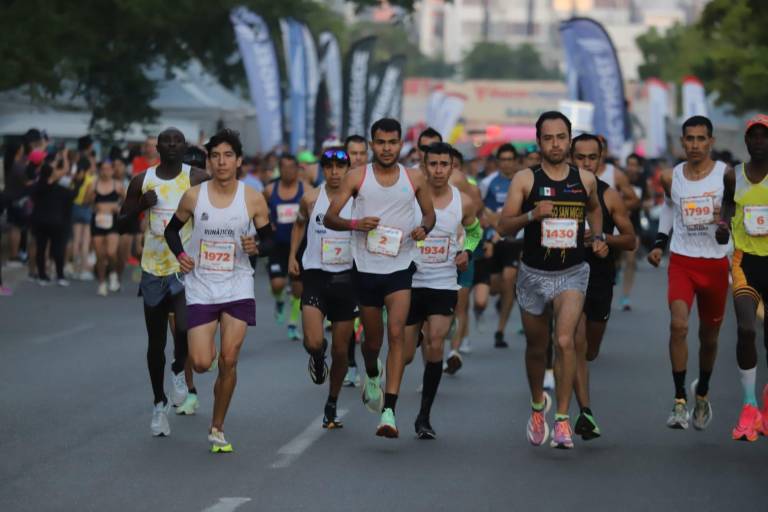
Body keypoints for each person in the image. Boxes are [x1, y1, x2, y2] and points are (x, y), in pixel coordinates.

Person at [498, 111, 607, 449]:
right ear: (539, 142)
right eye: (549, 138)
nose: (556, 144)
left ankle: (561, 419)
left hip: (572, 272)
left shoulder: (584, 180)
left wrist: (598, 235)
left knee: (564, 341)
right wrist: (532, 215)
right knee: (536, 346)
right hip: (533, 274)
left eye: (561, 137)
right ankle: (536, 407)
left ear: (570, 139)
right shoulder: (524, 180)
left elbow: (594, 208)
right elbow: (503, 227)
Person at [324, 117, 435, 438]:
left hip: (400, 267)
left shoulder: (414, 178)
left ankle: (389, 410)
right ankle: (372, 371)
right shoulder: (357, 177)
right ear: (372, 144)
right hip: (365, 268)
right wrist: (354, 225)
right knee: (373, 341)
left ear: (401, 144)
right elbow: (330, 216)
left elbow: (429, 214)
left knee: (397, 333)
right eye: (381, 142)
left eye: (392, 142)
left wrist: (423, 228)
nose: (387, 148)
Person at [165, 128, 273, 453]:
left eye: (228, 155)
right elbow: (172, 231)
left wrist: (257, 246)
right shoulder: (194, 196)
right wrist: (181, 256)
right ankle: (204, 367)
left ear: (239, 160)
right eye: (215, 156)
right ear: (209, 161)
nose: (221, 161)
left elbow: (269, 241)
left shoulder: (252, 198)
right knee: (200, 362)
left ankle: (217, 427)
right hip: (200, 285)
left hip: (237, 284)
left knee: (229, 359)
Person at [118, 127, 208, 437]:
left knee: (183, 328)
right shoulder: (142, 180)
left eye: (177, 141)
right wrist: (141, 205)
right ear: (157, 147)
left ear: (185, 147)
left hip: (184, 266)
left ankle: (178, 371)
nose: (171, 145)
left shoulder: (197, 178)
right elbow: (121, 222)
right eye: (166, 141)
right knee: (155, 341)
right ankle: (159, 404)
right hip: (153, 268)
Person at [647, 116, 730, 431]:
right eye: (690, 139)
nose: (695, 145)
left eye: (701, 139)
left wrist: (726, 224)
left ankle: (703, 391)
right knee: (678, 325)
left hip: (715, 263)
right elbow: (669, 208)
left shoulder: (727, 176)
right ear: (681, 142)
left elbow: (735, 211)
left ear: (711, 141)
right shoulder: (670, 177)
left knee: (709, 338)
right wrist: (659, 243)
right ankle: (679, 399)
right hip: (683, 261)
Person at [402, 142, 481, 438]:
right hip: (409, 283)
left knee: (436, 343)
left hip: (444, 283)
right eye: (432, 164)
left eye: (443, 164)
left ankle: (424, 417)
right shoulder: (408, 199)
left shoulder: (464, 201)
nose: (438, 170)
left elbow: (474, 232)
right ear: (424, 167)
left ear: (452, 168)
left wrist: (467, 253)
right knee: (407, 355)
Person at [570, 134, 636, 440]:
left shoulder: (609, 195)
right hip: (567, 275)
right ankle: (585, 411)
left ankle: (583, 406)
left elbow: (631, 239)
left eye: (591, 158)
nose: (585, 163)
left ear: (600, 159)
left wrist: (603, 239)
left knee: (591, 349)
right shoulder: (559, 193)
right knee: (576, 342)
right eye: (580, 157)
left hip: (599, 277)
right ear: (571, 158)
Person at [288, 148, 358, 428]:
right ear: (322, 170)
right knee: (314, 341)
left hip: (347, 277)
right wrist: (293, 255)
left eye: (340, 167)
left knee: (341, 352)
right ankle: (318, 356)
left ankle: (332, 400)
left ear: (348, 170)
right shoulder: (310, 198)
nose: (334, 172)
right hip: (315, 273)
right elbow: (298, 225)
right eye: (328, 167)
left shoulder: (358, 199)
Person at [719, 114, 768, 442]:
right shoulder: (733, 176)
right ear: (746, 141)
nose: (759, 142)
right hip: (744, 264)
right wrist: (723, 226)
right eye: (754, 136)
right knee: (747, 329)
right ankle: (749, 405)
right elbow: (726, 209)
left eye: (765, 136)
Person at [478, 143, 523, 349]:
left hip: (515, 241)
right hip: (493, 239)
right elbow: (480, 209)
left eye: (509, 159)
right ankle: (500, 298)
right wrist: (494, 221)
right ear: (498, 162)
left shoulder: (523, 182)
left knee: (509, 278)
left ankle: (500, 330)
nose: (506, 163)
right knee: (496, 287)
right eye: (502, 160)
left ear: (515, 161)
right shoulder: (487, 183)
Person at [264, 154, 306, 341]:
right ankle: (280, 300)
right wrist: (266, 222)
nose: (288, 171)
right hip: (277, 245)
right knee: (277, 284)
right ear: (279, 169)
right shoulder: (270, 190)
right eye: (284, 167)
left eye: (292, 167)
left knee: (298, 289)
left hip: (298, 247)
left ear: (297, 169)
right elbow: (257, 210)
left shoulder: (306, 191)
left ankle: (292, 323)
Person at [342, 134, 370, 388]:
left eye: (362, 153)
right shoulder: (337, 183)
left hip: (375, 259)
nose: (358, 158)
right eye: (354, 153)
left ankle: (371, 365)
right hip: (343, 260)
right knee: (349, 316)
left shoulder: (377, 181)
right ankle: (351, 364)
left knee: (369, 319)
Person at [30, 159, 74, 286]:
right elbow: (71, 199)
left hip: (40, 222)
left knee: (41, 249)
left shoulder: (37, 188)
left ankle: (42, 275)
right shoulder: (61, 189)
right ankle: (60, 275)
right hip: (57, 222)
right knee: (58, 249)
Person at [85, 160, 125, 296]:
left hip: (112, 221)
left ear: (113, 171)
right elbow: (84, 202)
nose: (106, 172)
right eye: (103, 169)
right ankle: (102, 283)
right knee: (100, 255)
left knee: (111, 252)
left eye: (108, 169)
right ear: (99, 170)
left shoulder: (118, 186)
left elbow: (127, 204)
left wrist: (118, 208)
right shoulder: (93, 185)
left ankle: (113, 274)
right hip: (97, 221)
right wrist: (91, 198)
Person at [619, 153, 650, 310]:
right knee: (616, 262)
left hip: (634, 226)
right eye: (629, 163)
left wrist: (641, 205)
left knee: (630, 260)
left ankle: (625, 297)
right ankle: (616, 271)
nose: (631, 167)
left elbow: (649, 200)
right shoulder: (620, 179)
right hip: (617, 225)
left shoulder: (644, 182)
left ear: (639, 167)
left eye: (634, 164)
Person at [71, 157, 96, 280]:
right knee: (85, 241)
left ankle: (75, 268)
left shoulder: (75, 178)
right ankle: (83, 270)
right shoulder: (91, 180)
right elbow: (89, 198)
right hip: (85, 208)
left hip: (74, 207)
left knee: (76, 240)